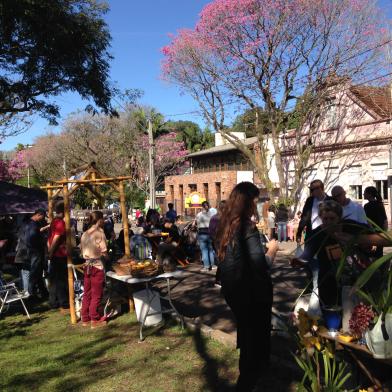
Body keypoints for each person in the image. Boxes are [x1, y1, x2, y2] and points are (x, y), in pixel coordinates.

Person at [215, 182, 278, 391]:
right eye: (255, 200)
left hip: (234, 293)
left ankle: (251, 376)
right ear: (248, 201)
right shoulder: (246, 227)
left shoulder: (225, 224)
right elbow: (260, 264)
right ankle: (249, 381)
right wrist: (272, 250)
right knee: (255, 341)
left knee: (247, 334)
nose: (256, 205)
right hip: (252, 293)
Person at [292, 200, 369, 309]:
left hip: (353, 279)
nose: (328, 222)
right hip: (328, 281)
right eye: (325, 219)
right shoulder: (316, 234)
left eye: (332, 219)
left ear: (339, 217)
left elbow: (370, 233)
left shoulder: (351, 226)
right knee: (330, 313)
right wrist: (298, 261)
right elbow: (307, 255)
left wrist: (366, 244)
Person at [80, 211, 108, 328]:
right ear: (99, 220)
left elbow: (81, 249)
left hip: (87, 265)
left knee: (87, 293)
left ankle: (85, 318)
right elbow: (104, 251)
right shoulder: (99, 233)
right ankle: (94, 318)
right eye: (103, 219)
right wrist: (108, 258)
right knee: (97, 293)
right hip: (96, 266)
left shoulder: (85, 234)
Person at [15, 209, 47, 298]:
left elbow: (24, 235)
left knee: (36, 272)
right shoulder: (32, 225)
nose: (42, 219)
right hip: (33, 252)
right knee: (34, 273)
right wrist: (41, 242)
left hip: (24, 252)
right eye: (42, 217)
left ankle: (42, 292)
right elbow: (30, 239)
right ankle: (31, 294)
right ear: (39, 215)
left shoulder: (26, 223)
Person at [47, 202, 69, 312]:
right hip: (59, 254)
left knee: (54, 279)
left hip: (55, 254)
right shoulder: (60, 222)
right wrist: (50, 252)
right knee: (61, 280)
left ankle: (53, 302)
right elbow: (56, 238)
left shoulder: (53, 221)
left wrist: (49, 250)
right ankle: (64, 303)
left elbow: (49, 238)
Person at [364, 186, 388, 259]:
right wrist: (384, 232)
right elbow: (385, 220)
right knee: (379, 253)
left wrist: (372, 231)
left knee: (367, 253)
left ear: (370, 194)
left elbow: (368, 220)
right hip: (380, 231)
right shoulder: (380, 204)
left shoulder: (367, 206)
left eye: (365, 192)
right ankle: (380, 268)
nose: (363, 194)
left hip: (371, 232)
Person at [195, 201, 216, 272]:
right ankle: (213, 265)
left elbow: (197, 224)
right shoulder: (211, 214)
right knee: (211, 250)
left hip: (202, 233)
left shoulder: (199, 214)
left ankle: (206, 267)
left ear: (202, 206)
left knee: (204, 250)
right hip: (209, 233)